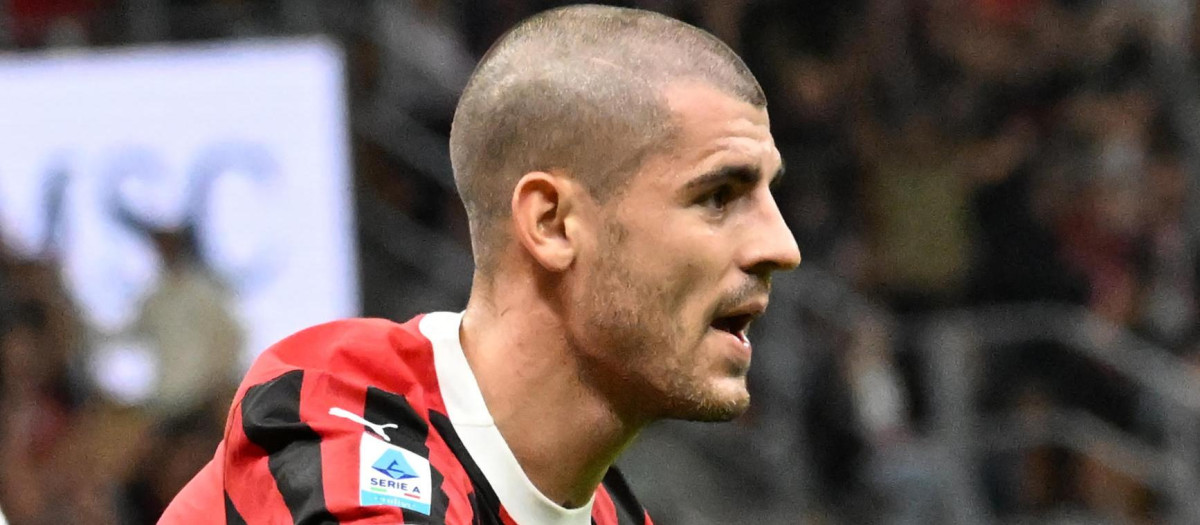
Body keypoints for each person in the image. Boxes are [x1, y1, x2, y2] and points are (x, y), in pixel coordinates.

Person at [160, 4, 801, 524]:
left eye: (770, 195)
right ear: (551, 223)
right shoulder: (337, 412)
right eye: (717, 196)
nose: (781, 246)